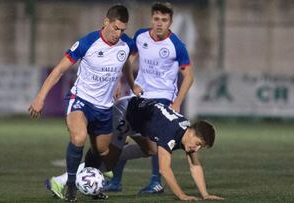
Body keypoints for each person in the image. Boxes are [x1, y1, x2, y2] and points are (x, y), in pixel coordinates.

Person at [28, 5, 142, 202]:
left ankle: (88, 183)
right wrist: (40, 98)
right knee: (79, 138)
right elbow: (58, 71)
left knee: (102, 151)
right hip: (81, 101)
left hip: (105, 107)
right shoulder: (87, 42)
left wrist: (128, 84)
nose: (118, 33)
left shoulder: (126, 44)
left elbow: (126, 63)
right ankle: (71, 185)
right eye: (115, 28)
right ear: (106, 22)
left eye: (122, 30)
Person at [47, 96, 224, 201]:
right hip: (125, 113)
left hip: (141, 121)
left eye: (201, 147)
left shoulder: (186, 135)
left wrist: (205, 194)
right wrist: (182, 196)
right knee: (108, 162)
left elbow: (195, 165)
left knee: (151, 151)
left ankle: (111, 159)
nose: (196, 149)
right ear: (191, 131)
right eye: (198, 143)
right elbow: (164, 170)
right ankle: (61, 180)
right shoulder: (170, 132)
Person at [106, 2, 194, 194]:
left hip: (162, 98)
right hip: (138, 95)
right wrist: (118, 83)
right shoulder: (140, 36)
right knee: (122, 134)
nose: (159, 23)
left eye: (164, 20)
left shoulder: (176, 45)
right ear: (151, 19)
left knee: (158, 141)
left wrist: (177, 102)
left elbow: (189, 75)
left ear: (170, 21)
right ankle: (114, 180)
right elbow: (127, 61)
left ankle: (156, 181)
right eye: (156, 19)